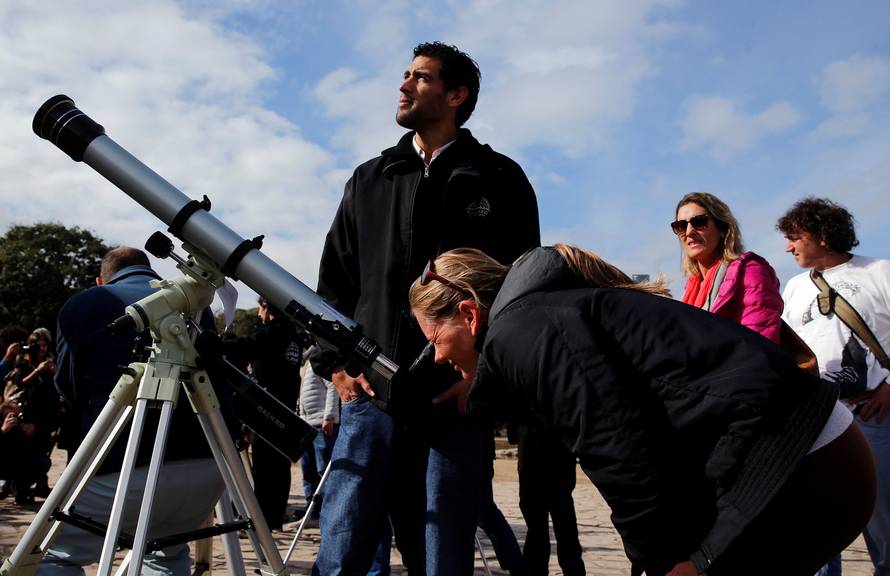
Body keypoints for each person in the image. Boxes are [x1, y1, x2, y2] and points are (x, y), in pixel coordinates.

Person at [408, 244, 876, 576]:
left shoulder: (521, 332)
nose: (438, 358)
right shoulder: (542, 315)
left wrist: (663, 558)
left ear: (470, 315)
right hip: (815, 449)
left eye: (434, 341)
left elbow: (616, 445)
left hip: (801, 464)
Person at [311, 41, 540, 575]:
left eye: (421, 77)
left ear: (456, 95)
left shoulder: (501, 179)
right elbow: (333, 283)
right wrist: (337, 365)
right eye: (405, 74)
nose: (404, 84)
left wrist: (484, 370)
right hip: (369, 395)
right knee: (344, 544)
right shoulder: (370, 178)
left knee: (443, 549)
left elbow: (522, 292)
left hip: (453, 398)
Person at [40, 247, 224, 576]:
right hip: (208, 470)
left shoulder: (84, 304)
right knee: (166, 555)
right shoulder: (196, 305)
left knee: (50, 556)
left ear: (100, 280)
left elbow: (70, 390)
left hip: (119, 468)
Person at [778, 197, 890, 576]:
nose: (788, 247)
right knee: (820, 522)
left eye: (794, 237)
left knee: (884, 519)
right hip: (820, 417)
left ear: (822, 234)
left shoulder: (880, 272)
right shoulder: (793, 288)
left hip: (876, 415)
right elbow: (788, 347)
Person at [221, 297, 302, 531]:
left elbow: (246, 346)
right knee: (278, 468)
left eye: (260, 308)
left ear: (267, 307)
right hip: (284, 408)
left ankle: (264, 520)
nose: (258, 314)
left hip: (267, 410)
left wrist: (214, 345)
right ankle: (272, 517)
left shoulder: (275, 333)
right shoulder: (292, 336)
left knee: (266, 469)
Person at [673, 191, 783, 343]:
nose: (689, 232)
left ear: (722, 228)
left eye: (699, 222)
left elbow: (758, 345)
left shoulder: (750, 272)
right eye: (681, 225)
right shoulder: (692, 285)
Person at [297, 343, 339, 521]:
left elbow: (332, 386)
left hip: (321, 423)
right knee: (308, 470)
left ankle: (332, 511)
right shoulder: (305, 364)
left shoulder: (319, 359)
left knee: (324, 470)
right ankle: (312, 509)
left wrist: (329, 416)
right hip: (306, 424)